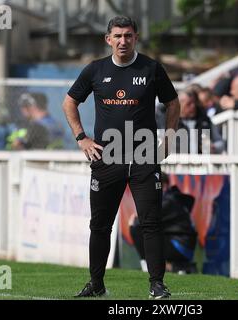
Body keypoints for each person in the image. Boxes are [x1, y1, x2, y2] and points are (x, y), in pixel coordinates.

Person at [62, 16, 180, 299]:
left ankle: (157, 285)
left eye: (128, 35)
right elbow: (69, 102)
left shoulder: (151, 68)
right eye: (117, 36)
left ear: (136, 38)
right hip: (107, 157)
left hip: (143, 156)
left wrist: (171, 138)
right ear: (108, 39)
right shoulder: (95, 70)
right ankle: (96, 284)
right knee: (100, 225)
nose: (123, 41)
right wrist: (82, 138)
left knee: (150, 222)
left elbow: (173, 102)